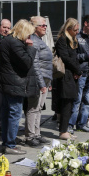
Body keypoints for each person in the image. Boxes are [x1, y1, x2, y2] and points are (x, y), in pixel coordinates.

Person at [0, 19, 38, 154]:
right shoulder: (14, 42)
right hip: (14, 82)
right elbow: (26, 62)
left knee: (8, 113)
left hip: (9, 81)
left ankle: (7, 142)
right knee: (14, 113)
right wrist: (30, 47)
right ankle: (10, 144)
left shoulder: (9, 41)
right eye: (29, 34)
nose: (29, 37)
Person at [67, 14, 89, 134]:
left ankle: (82, 123)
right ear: (86, 23)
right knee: (77, 99)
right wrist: (87, 56)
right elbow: (73, 56)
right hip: (80, 73)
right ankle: (70, 124)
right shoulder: (77, 37)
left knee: (87, 100)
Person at [24, 16, 52, 147]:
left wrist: (48, 82)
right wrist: (41, 83)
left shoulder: (39, 40)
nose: (45, 27)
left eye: (45, 25)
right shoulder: (33, 41)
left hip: (44, 79)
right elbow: (35, 64)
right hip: (37, 79)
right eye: (43, 25)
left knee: (39, 108)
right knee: (33, 108)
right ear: (35, 27)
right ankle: (30, 136)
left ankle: (36, 133)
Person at [55, 18, 82, 140]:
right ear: (68, 29)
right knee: (66, 103)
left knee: (70, 103)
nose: (77, 32)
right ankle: (63, 131)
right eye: (75, 30)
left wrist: (77, 71)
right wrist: (78, 70)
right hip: (65, 76)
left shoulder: (72, 40)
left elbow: (75, 58)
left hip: (72, 75)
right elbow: (66, 58)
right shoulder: (62, 40)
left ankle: (65, 129)